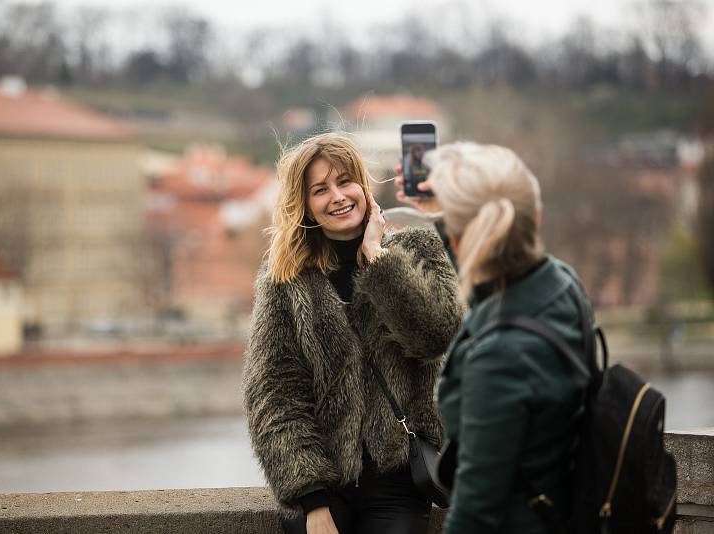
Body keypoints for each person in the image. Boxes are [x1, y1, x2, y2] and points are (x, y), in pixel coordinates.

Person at [243, 132, 463, 534]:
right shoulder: (285, 280)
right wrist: (311, 498)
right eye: (321, 189)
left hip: (399, 478)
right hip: (324, 482)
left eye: (345, 182)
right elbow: (274, 396)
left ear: (364, 186)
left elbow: (437, 334)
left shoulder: (417, 249)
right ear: (305, 205)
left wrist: (379, 261)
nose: (338, 196)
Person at [395, 142, 592, 533]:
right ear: (535, 218)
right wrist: (445, 219)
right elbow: (490, 284)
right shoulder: (562, 284)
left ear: (457, 240)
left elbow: (475, 514)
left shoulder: (498, 358)